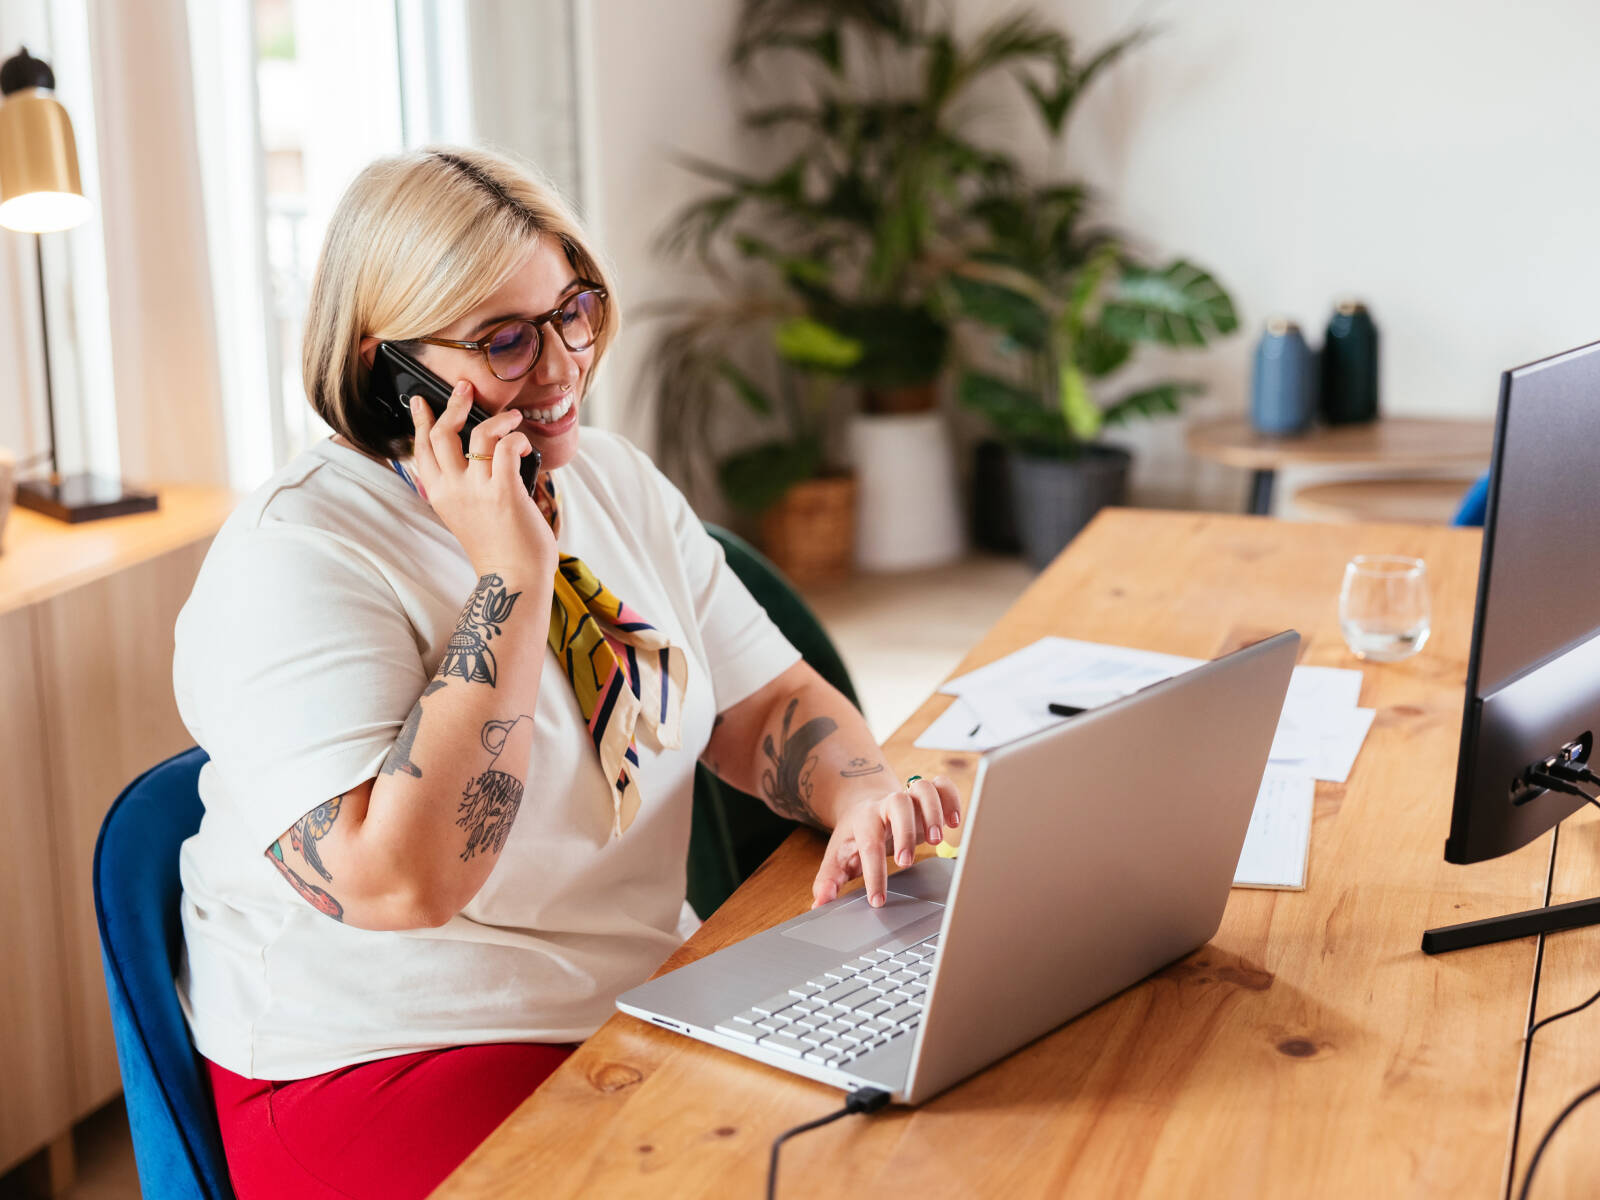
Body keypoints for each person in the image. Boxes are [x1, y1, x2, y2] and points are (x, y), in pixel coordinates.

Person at [171, 145, 963, 1200]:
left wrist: (860, 791)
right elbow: (405, 884)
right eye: (504, 340)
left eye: (572, 310)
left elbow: (766, 698)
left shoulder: (613, 483)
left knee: (909, 1136)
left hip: (628, 994)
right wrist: (508, 577)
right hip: (388, 1046)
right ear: (384, 367)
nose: (560, 368)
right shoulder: (298, 551)